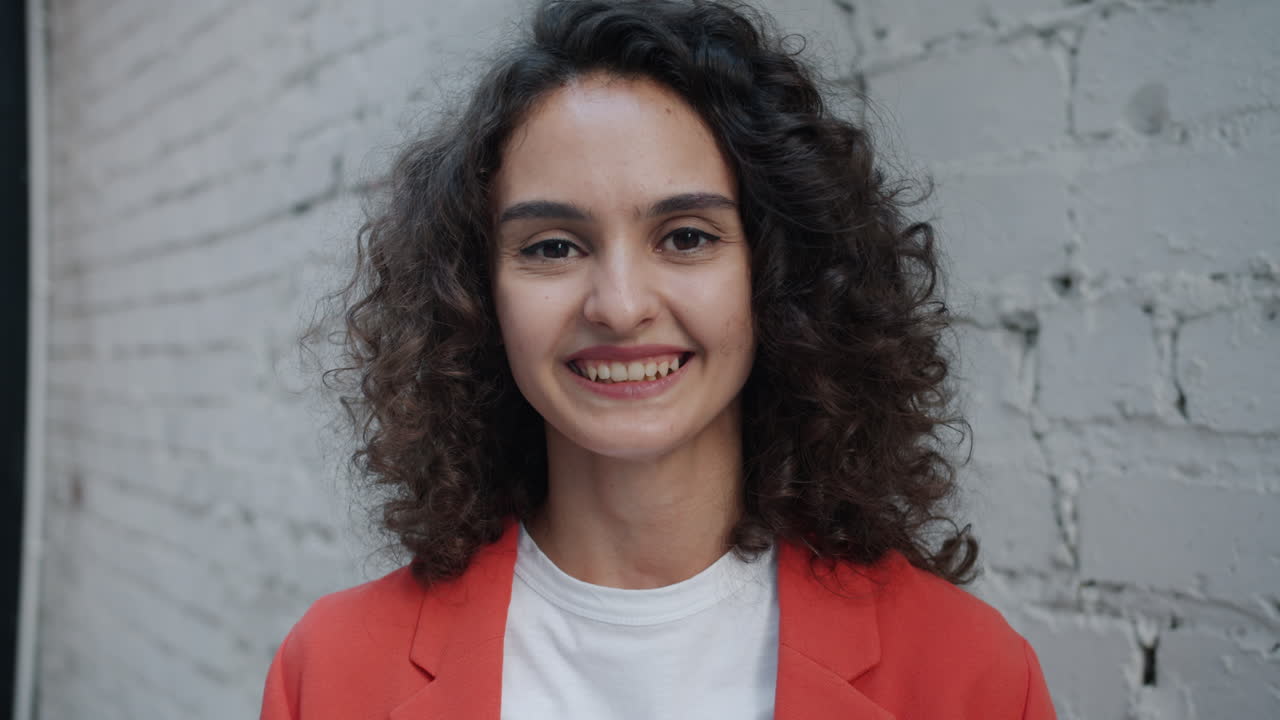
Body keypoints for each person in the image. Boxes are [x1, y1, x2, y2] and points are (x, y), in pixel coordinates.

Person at [260, 0, 1057, 717]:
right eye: (553, 246)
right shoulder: (329, 673)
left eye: (686, 237)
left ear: (778, 275)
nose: (618, 304)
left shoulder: (970, 675)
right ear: (477, 297)